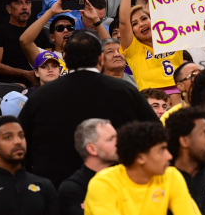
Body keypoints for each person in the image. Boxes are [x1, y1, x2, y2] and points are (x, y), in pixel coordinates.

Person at [19, 30, 157, 187]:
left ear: (65, 58)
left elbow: (20, 144)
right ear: (100, 58)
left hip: (54, 192)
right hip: (117, 191)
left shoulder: (40, 97)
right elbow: (154, 137)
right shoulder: (126, 91)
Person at [84, 121, 200, 214]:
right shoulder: (103, 184)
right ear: (140, 158)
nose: (169, 156)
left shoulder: (171, 176)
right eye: (162, 150)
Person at [119, 0, 183, 104]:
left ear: (153, 20)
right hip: (149, 105)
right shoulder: (133, 49)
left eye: (144, 18)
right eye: (135, 24)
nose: (141, 24)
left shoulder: (174, 37)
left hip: (178, 104)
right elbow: (123, 22)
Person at [0, 0, 51, 86]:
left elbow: (49, 57)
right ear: (8, 9)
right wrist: (24, 73)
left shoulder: (38, 31)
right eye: (19, 3)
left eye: (27, 3)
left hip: (40, 82)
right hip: (11, 84)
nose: (25, 7)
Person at [57, 119, 118, 215]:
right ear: (92, 149)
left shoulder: (128, 176)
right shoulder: (71, 189)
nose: (118, 143)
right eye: (110, 139)